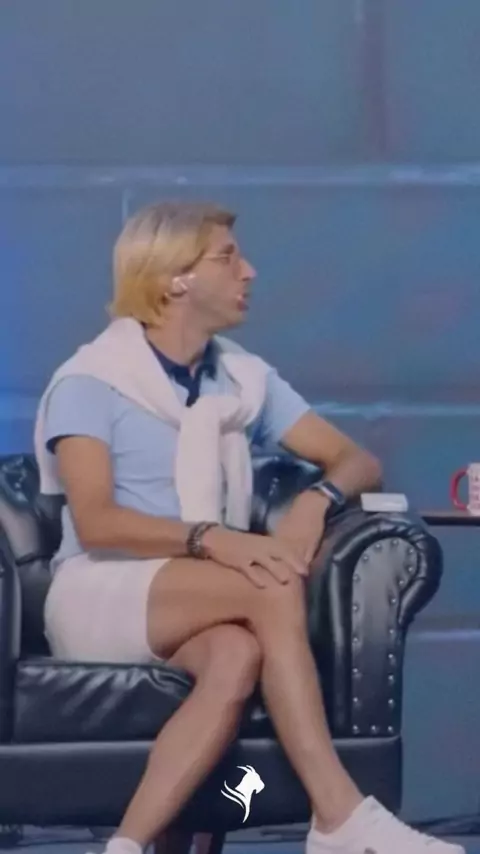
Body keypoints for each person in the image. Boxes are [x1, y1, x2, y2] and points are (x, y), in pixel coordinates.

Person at [34, 201, 463, 854]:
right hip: (99, 590)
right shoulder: (90, 381)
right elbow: (97, 523)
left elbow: (356, 460)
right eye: (228, 257)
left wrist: (315, 501)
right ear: (174, 277)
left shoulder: (239, 380)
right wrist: (214, 539)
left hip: (191, 594)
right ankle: (339, 816)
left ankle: (125, 846)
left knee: (237, 656)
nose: (250, 271)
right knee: (270, 583)